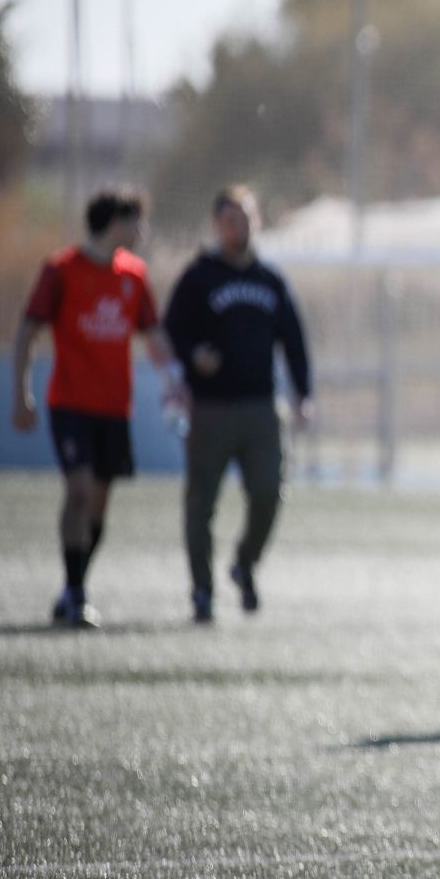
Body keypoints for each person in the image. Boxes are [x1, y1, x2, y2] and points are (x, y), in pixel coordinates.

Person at [12, 187, 184, 628]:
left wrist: (175, 382)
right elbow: (28, 331)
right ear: (116, 223)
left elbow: (154, 335)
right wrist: (21, 393)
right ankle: (76, 593)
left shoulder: (135, 275)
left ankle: (73, 588)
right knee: (80, 489)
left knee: (100, 503)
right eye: (137, 222)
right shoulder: (62, 271)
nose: (142, 231)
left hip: (114, 408)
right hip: (70, 404)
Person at [163, 185, 312, 623]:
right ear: (216, 225)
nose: (238, 228)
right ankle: (202, 592)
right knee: (200, 504)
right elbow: (170, 332)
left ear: (256, 222)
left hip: (261, 409)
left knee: (268, 494)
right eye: (230, 220)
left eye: (245, 219)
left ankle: (244, 564)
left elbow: (294, 341)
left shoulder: (271, 280)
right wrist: (194, 356)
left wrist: (304, 394)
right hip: (210, 409)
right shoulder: (199, 277)